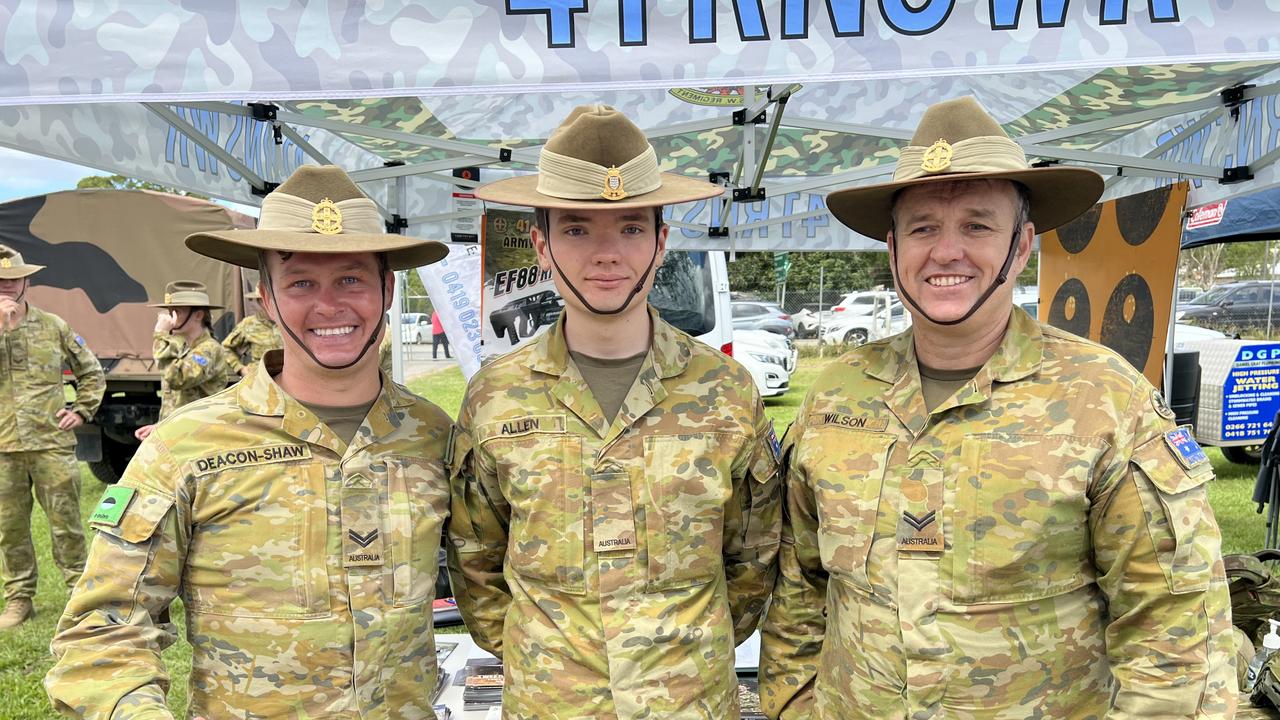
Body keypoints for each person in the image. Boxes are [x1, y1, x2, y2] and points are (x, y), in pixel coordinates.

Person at [759, 95, 1236, 718]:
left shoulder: (1104, 400)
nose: (947, 251)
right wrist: (793, 707)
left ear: (1022, 245)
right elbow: (801, 587)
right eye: (924, 227)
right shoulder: (836, 395)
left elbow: (1174, 623)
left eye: (977, 225)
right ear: (893, 248)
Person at [45, 165, 453, 719]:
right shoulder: (187, 446)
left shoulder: (433, 436)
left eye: (352, 279)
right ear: (266, 297)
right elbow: (102, 633)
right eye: (301, 282)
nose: (329, 306)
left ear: (387, 289)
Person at [448, 104, 781, 720]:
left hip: (690, 703)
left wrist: (682, 658)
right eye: (577, 230)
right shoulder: (494, 396)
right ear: (542, 246)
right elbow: (476, 563)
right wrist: (546, 658)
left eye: (630, 228)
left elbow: (754, 558)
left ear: (661, 243)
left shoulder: (727, 390)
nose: (606, 254)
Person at [0, 245, 104, 630]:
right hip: (3, 448)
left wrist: (81, 410)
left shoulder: (53, 326)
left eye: (14, 278)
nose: (8, 286)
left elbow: (91, 372)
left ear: (27, 280)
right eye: (1, 280)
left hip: (51, 444)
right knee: (9, 529)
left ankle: (80, 596)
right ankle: (19, 600)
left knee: (67, 525)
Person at [133, 281, 230, 441]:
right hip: (181, 436)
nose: (170, 317)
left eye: (176, 311)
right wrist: (161, 426)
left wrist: (160, 335)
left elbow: (177, 379)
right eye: (170, 310)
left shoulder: (209, 349)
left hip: (200, 438)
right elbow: (179, 402)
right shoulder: (182, 346)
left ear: (198, 315)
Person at [221, 287, 282, 376]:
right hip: (260, 379)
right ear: (259, 302)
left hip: (291, 379)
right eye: (265, 299)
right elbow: (225, 348)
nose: (271, 303)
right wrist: (240, 368)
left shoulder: (289, 322)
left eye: (274, 299)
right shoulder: (249, 324)